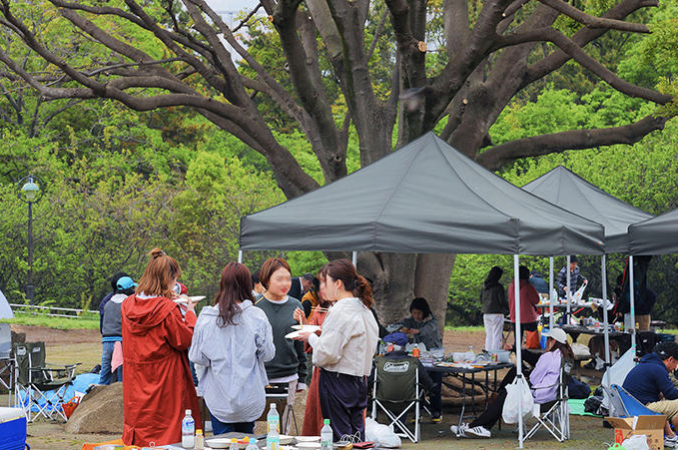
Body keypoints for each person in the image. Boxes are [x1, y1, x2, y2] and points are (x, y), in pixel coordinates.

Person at [120, 248, 201, 447]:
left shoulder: (127, 305)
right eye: (174, 280)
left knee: (142, 426)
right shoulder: (168, 309)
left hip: (136, 378)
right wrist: (190, 314)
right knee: (168, 431)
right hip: (166, 379)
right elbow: (184, 339)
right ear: (168, 280)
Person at [296, 259, 379, 441]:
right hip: (360, 381)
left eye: (325, 282)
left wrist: (310, 337)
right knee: (356, 438)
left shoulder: (340, 311)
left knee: (340, 439)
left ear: (338, 284)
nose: (323, 287)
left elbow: (326, 355)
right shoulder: (365, 310)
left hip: (338, 381)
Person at [189, 262, 275, 435]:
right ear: (247, 285)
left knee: (221, 443)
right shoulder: (257, 316)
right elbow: (268, 354)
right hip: (249, 396)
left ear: (222, 284)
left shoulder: (207, 318)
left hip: (218, 396)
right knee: (247, 442)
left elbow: (197, 357)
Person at [451, 328, 573, 438]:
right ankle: (481, 426)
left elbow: (534, 379)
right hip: (554, 396)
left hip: (540, 396)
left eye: (549, 339)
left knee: (506, 393)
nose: (546, 341)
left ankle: (477, 426)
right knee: (508, 390)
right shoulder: (565, 357)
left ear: (554, 341)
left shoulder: (548, 357)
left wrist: (526, 379)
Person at [255, 258, 307, 433]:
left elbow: (300, 344)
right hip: (258, 375)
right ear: (266, 280)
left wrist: (302, 377)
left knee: (282, 428)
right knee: (252, 423)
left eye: (288, 278)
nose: (285, 283)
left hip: (288, 375)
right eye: (279, 279)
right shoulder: (256, 305)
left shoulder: (296, 305)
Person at [622, 342, 678, 448]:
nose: (675, 368)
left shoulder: (648, 364)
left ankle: (670, 437)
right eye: (676, 364)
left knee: (662, 402)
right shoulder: (658, 369)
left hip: (630, 407)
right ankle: (672, 438)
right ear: (670, 359)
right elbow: (672, 394)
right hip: (641, 409)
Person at [99, 275, 136, 385]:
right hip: (120, 341)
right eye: (132, 289)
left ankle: (97, 396)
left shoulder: (107, 304)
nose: (134, 291)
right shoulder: (128, 303)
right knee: (122, 374)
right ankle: (120, 400)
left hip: (106, 342)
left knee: (105, 374)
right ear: (128, 289)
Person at [508, 266, 540, 346]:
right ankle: (532, 357)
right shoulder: (528, 287)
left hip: (515, 315)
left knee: (517, 341)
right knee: (532, 341)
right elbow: (536, 300)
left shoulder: (511, 286)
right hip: (528, 316)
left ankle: (518, 356)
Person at [480, 266, 508, 352]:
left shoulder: (484, 286)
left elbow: (481, 299)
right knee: (496, 335)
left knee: (489, 335)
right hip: (497, 313)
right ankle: (494, 355)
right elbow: (502, 301)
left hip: (486, 312)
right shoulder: (498, 287)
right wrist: (508, 309)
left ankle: (487, 353)